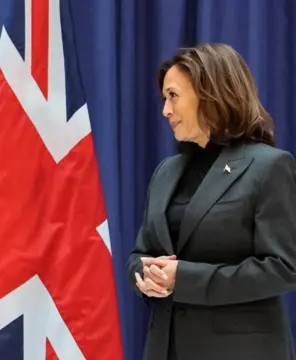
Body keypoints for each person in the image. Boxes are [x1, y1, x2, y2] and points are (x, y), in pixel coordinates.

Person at [126, 43, 296, 360]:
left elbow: (284, 267)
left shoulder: (269, 167)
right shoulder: (166, 171)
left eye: (173, 96)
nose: (165, 110)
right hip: (165, 349)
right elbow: (141, 252)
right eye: (164, 99)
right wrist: (145, 276)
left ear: (209, 93)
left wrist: (185, 279)